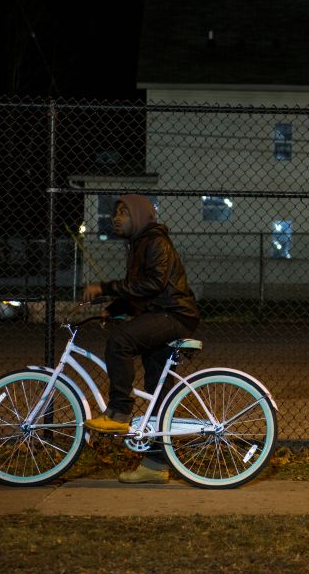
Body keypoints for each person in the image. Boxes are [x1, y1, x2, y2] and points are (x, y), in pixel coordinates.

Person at [82, 194, 200, 484]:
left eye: (123, 212)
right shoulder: (139, 244)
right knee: (158, 392)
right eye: (115, 213)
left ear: (140, 215)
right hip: (162, 314)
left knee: (120, 341)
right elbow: (140, 291)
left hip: (173, 315)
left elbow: (154, 283)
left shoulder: (155, 241)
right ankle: (155, 464)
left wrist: (105, 287)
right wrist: (116, 308)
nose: (116, 218)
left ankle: (120, 411)